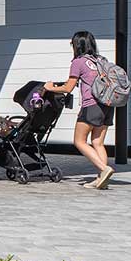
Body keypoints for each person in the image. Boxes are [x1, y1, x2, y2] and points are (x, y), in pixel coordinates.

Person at [43, 30, 116, 190]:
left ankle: (104, 170)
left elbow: (68, 88)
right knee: (97, 142)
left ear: (77, 45)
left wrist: (49, 87)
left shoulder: (79, 62)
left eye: (72, 43)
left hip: (91, 105)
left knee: (79, 141)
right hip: (108, 105)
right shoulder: (101, 60)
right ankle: (101, 179)